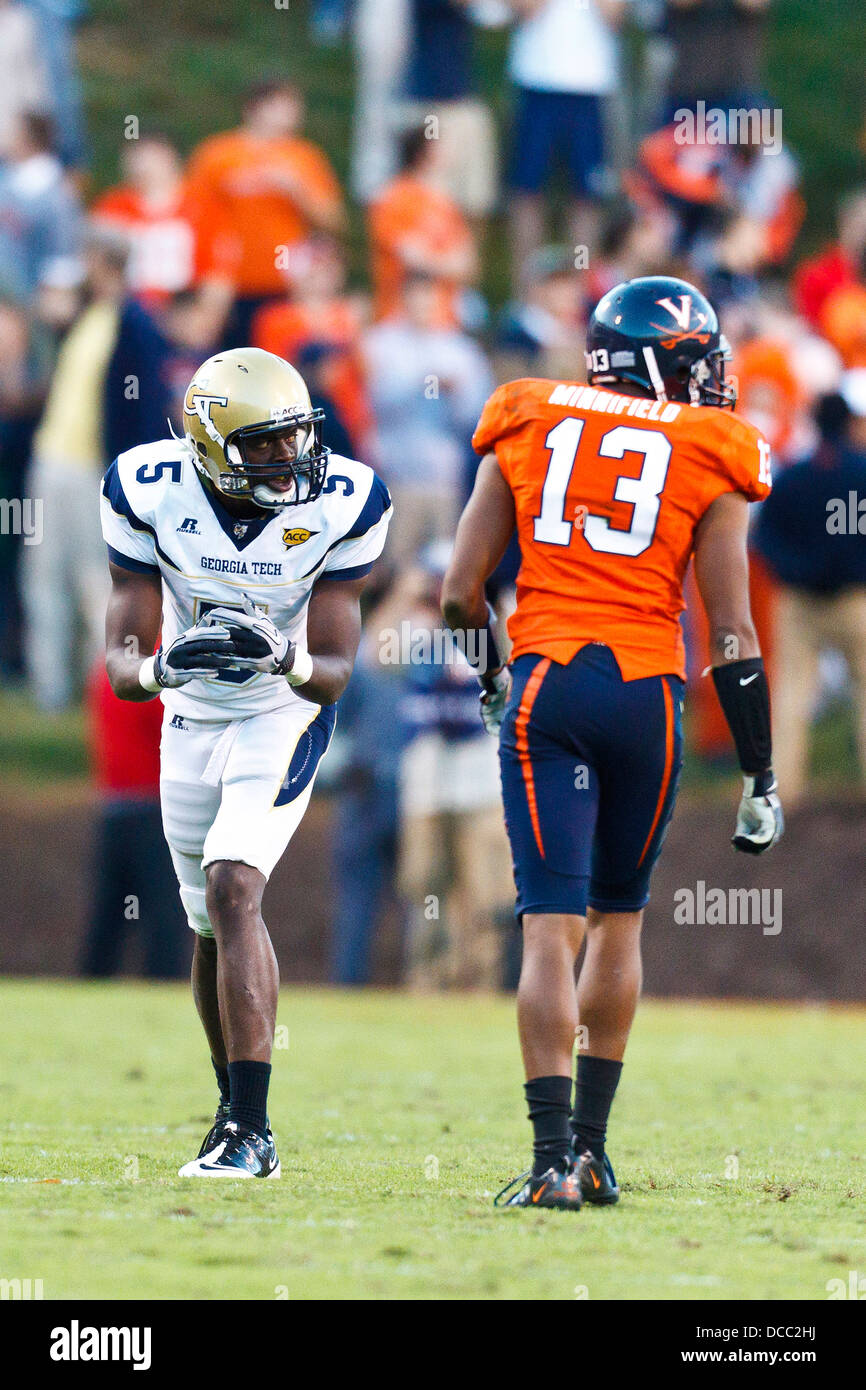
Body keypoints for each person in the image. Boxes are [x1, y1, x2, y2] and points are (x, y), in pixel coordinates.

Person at [441, 275, 783, 1211]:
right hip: (649, 698)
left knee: (549, 928)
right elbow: (732, 637)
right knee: (620, 920)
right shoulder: (717, 450)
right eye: (693, 361)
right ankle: (591, 1152)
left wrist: (490, 674)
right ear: (653, 363)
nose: (710, 377)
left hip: (550, 683)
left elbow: (458, 595)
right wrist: (758, 771)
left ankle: (549, 1163)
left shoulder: (522, 414)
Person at [100, 347, 392, 1178]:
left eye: (296, 436)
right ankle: (231, 1111)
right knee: (205, 920)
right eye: (265, 443)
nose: (291, 457)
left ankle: (253, 1133)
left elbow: (333, 673)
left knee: (236, 884)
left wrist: (283, 658)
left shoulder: (349, 501)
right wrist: (163, 666)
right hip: (190, 710)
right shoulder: (145, 486)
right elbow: (122, 652)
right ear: (210, 445)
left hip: (282, 707)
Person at [753, 377, 866, 808]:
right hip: (856, 600)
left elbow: (765, 539)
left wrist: (798, 572)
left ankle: (783, 792)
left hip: (800, 602)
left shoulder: (796, 474)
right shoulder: (861, 470)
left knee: (791, 698)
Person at [185, 81, 346, 345]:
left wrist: (297, 190)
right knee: (227, 359)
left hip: (287, 283)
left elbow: (334, 220)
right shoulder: (217, 154)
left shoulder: (304, 157)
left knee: (275, 361)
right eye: (281, 105)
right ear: (254, 107)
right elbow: (191, 215)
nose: (291, 113)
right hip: (227, 283)